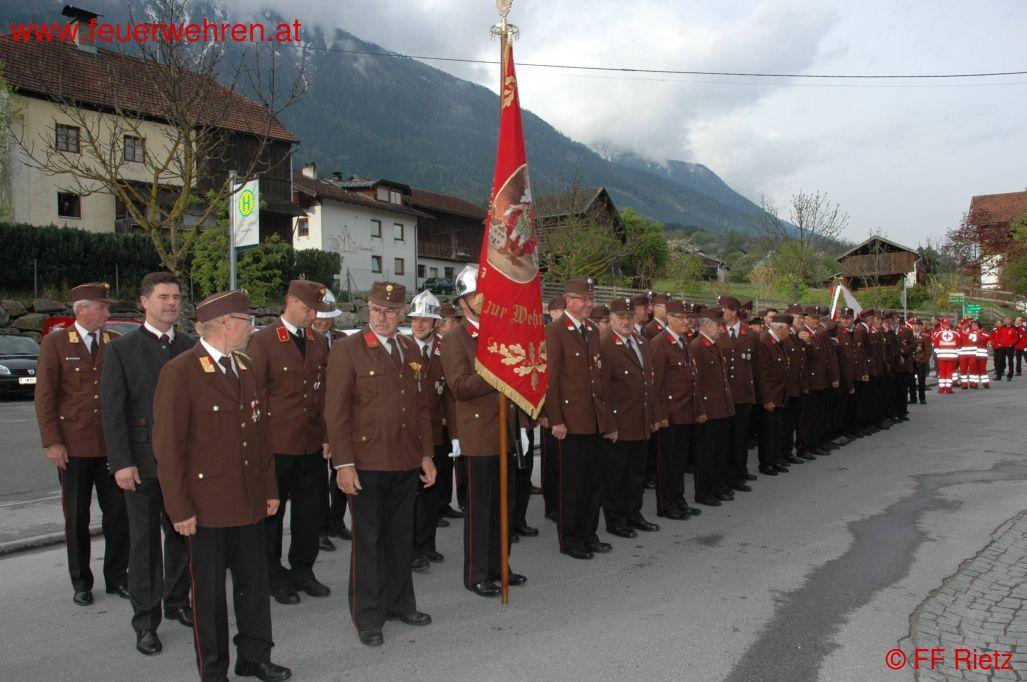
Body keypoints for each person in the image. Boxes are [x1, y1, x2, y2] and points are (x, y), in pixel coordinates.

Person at [153, 289, 290, 682]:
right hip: (206, 507)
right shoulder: (180, 371)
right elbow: (169, 448)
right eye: (247, 321)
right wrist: (179, 510)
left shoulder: (243, 367)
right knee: (210, 596)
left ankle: (255, 656)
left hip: (248, 501)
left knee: (253, 584)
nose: (252, 328)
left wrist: (269, 490)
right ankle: (214, 671)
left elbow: (260, 437)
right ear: (227, 324)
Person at [325, 281, 436, 647]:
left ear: (402, 313)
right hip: (367, 463)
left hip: (405, 460)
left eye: (390, 311)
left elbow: (421, 408)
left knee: (400, 538)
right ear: (368, 310)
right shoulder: (348, 349)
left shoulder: (408, 348)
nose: (382, 317)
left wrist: (425, 456)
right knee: (368, 541)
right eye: (376, 310)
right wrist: (343, 464)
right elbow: (336, 412)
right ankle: (368, 615)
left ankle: (400, 603)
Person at [101, 272, 194, 656]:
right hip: (140, 465)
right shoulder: (122, 349)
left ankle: (176, 602)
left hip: (184, 466)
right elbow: (112, 410)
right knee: (144, 547)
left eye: (175, 296)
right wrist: (121, 462)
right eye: (162, 297)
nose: (171, 303)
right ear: (144, 301)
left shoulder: (190, 346)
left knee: (182, 539)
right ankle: (145, 621)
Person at [35, 281, 129, 607]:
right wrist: (52, 442)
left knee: (118, 515)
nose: (108, 312)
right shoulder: (57, 343)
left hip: (111, 448)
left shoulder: (115, 343)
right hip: (72, 448)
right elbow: (45, 397)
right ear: (83, 309)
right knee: (76, 517)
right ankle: (81, 581)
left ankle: (118, 576)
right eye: (103, 307)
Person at [440, 266, 528, 596]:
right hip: (478, 436)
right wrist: (494, 373)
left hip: (505, 430)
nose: (486, 300)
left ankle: (499, 566)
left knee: (503, 507)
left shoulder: (500, 332)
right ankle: (477, 573)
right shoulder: (454, 339)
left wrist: (520, 425)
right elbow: (460, 387)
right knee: (481, 510)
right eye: (479, 296)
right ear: (464, 303)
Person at [247, 280, 331, 606]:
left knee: (310, 512)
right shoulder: (263, 341)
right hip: (276, 443)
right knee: (272, 513)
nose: (313, 315)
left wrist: (327, 436)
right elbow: (254, 396)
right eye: (308, 308)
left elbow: (323, 394)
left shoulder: (319, 341)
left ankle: (303, 570)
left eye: (316, 310)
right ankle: (272, 574)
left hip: (310, 443)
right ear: (290, 302)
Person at [544, 277, 612, 560]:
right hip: (569, 422)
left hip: (592, 419)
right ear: (568, 299)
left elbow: (597, 379)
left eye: (590, 299)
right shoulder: (555, 332)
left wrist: (605, 421)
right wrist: (556, 419)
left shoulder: (592, 331)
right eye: (583, 299)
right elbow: (550, 380)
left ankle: (589, 533)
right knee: (572, 485)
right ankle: (571, 539)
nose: (588, 304)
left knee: (593, 482)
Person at [599, 297, 660, 538]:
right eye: (621, 317)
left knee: (636, 473)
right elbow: (601, 392)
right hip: (619, 423)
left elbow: (649, 384)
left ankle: (634, 514)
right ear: (611, 319)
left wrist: (654, 415)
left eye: (629, 317)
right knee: (616, 476)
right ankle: (616, 520)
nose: (626, 321)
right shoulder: (604, 345)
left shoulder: (642, 342)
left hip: (640, 419)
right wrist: (609, 425)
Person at [649, 299, 702, 519]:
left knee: (679, 461)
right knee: (667, 462)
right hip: (669, 414)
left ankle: (678, 499)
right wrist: (660, 415)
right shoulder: (660, 344)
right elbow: (656, 384)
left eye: (688, 318)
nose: (686, 322)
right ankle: (666, 504)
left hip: (684, 412)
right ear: (669, 318)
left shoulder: (683, 342)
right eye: (681, 318)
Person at [408, 289, 448, 571]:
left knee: (434, 493)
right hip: (409, 435)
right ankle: (410, 548)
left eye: (426, 319)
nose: (419, 324)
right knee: (411, 497)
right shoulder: (400, 347)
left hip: (437, 432)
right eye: (415, 319)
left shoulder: (445, 349)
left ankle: (428, 544)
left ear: (435, 323)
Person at [312, 290, 351, 549]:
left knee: (341, 471)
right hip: (316, 416)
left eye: (328, 319)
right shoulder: (307, 340)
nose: (323, 323)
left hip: (339, 413)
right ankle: (320, 528)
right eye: (319, 319)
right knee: (315, 480)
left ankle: (337, 521)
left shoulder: (341, 339)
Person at [716, 296, 758, 490]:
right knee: (725, 438)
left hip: (742, 392)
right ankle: (724, 474)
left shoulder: (749, 333)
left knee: (741, 436)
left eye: (723, 309)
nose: (720, 313)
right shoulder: (717, 332)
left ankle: (739, 473)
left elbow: (755, 365)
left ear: (733, 312)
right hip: (724, 394)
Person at [436, 303, 465, 520]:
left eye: (456, 321)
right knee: (438, 462)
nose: (453, 325)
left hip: (456, 412)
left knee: (449, 464)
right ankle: (436, 505)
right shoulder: (438, 345)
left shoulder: (456, 343)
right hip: (438, 417)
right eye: (449, 322)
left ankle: (445, 503)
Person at [755, 315, 792, 475]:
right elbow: (761, 374)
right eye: (788, 329)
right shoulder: (765, 342)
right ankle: (766, 463)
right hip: (770, 396)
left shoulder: (778, 342)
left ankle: (775, 458)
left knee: (777, 429)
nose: (789, 332)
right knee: (768, 432)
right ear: (780, 328)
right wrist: (767, 399)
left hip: (779, 393)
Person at [911, 319, 932, 404]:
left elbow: (928, 350)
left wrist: (924, 360)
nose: (915, 327)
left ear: (920, 327)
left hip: (920, 362)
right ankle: (913, 398)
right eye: (914, 325)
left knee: (921, 381)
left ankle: (922, 398)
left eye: (917, 325)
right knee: (911, 381)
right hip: (911, 362)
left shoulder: (924, 337)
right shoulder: (909, 336)